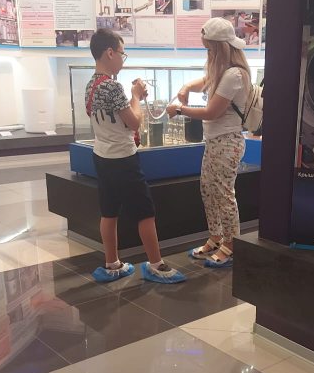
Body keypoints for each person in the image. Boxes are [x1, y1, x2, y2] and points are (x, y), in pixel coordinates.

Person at [86, 28, 186, 284]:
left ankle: (112, 263)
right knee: (145, 212)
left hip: (101, 155)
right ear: (110, 53)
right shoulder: (112, 86)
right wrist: (136, 96)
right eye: (122, 53)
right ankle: (156, 264)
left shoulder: (91, 85)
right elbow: (134, 122)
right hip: (123, 159)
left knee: (109, 211)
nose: (123, 59)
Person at [166, 17, 250, 268]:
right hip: (216, 142)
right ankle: (216, 237)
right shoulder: (223, 71)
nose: (208, 54)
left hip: (227, 142)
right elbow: (203, 82)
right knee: (208, 190)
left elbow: (212, 112)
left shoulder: (234, 74)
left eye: (209, 49)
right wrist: (185, 87)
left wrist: (180, 109)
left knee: (223, 194)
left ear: (220, 47)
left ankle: (231, 244)